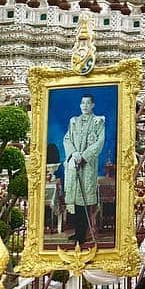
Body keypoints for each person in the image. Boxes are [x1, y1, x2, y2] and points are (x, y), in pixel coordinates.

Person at [63, 94, 106, 244]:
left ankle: (84, 233)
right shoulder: (73, 121)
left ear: (93, 105)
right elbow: (67, 139)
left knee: (85, 200)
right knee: (74, 200)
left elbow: (99, 142)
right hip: (74, 163)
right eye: (82, 103)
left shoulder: (98, 121)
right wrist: (74, 153)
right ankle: (77, 232)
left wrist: (84, 156)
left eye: (88, 103)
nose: (85, 106)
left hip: (87, 165)